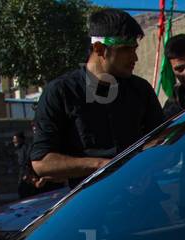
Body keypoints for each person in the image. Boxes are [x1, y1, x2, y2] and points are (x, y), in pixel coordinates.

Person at [31, 8, 163, 187]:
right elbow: (42, 162)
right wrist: (101, 165)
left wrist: (145, 162)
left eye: (134, 48)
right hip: (91, 205)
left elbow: (160, 139)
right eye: (125, 49)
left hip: (142, 200)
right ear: (99, 49)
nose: (135, 57)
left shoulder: (140, 90)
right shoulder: (60, 92)